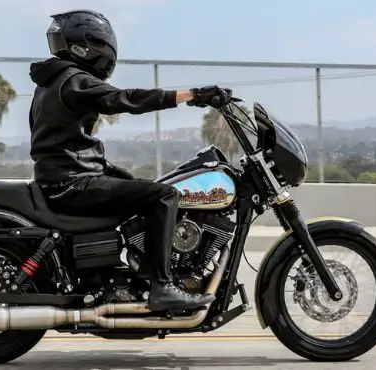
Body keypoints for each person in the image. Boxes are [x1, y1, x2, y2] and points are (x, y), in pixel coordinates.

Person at [28, 9, 230, 312]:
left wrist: (110, 170)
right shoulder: (74, 80)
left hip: (64, 179)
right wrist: (191, 95)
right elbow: (128, 98)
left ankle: (140, 274)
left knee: (143, 188)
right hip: (72, 184)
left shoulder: (50, 83)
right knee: (164, 196)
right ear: (88, 44)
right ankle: (162, 287)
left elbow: (62, 144)